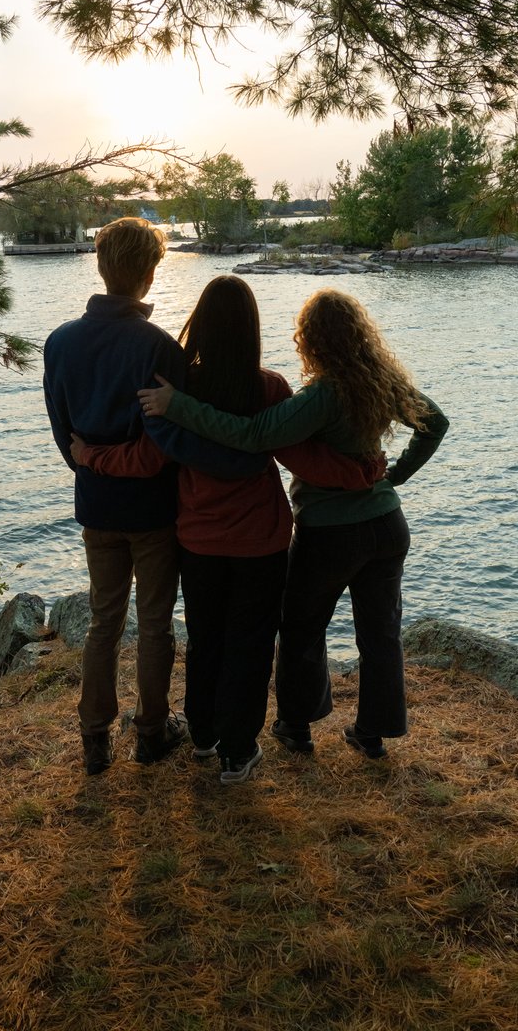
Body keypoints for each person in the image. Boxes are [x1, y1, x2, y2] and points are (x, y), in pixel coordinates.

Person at [71, 276, 385, 784]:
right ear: (251, 329)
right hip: (260, 540)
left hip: (197, 537)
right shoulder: (270, 388)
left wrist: (90, 457)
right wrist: (363, 472)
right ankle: (238, 752)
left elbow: (153, 457)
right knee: (251, 642)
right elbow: (301, 457)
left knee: (205, 638)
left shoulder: (177, 389)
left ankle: (202, 736)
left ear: (200, 324)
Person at [138, 287, 450, 760]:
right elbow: (436, 423)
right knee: (381, 633)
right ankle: (373, 732)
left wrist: (177, 405)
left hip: (330, 533)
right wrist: (394, 475)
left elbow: (252, 435)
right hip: (387, 525)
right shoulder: (383, 379)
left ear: (311, 338)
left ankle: (296, 726)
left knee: (303, 628)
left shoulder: (321, 395)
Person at [43, 218, 272, 776]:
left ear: (101, 265)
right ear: (149, 274)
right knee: (154, 624)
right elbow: (166, 446)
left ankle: (94, 737)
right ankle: (150, 731)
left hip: (95, 505)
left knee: (103, 623)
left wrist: (91, 462)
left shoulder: (59, 343)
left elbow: (63, 433)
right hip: (152, 511)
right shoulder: (160, 348)